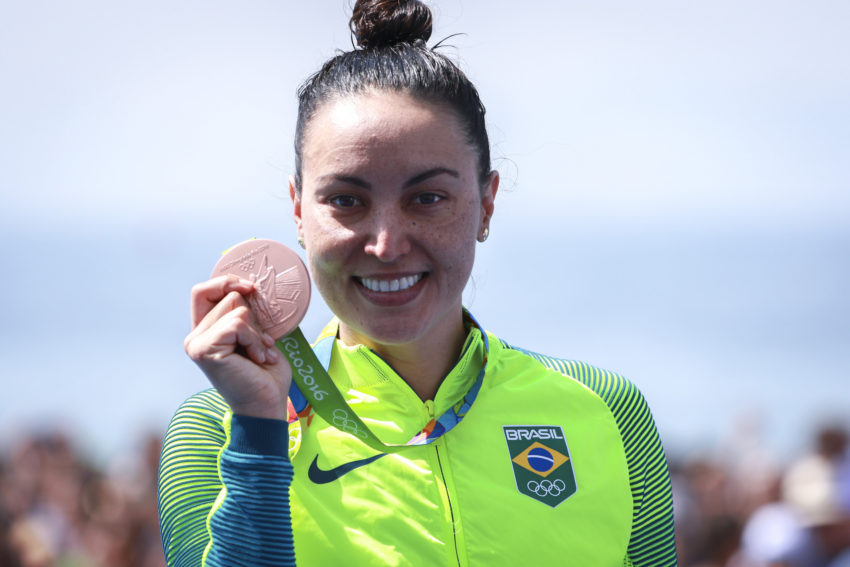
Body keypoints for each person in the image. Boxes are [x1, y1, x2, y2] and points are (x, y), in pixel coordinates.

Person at [157, 1, 678, 565]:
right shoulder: (219, 428)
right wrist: (258, 426)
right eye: (346, 201)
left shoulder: (606, 410)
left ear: (486, 203)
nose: (386, 244)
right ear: (298, 211)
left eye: (427, 199)